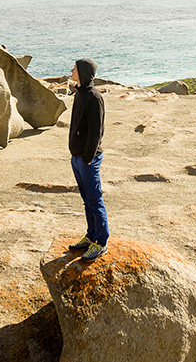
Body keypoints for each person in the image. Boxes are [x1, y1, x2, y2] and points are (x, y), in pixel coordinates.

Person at [68, 57, 108, 261]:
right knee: (87, 200)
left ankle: (101, 242)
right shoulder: (80, 94)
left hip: (88, 159)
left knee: (95, 199)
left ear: (83, 72)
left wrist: (88, 157)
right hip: (77, 157)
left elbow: (96, 131)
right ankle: (91, 236)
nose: (71, 70)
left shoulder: (94, 97)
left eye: (74, 68)